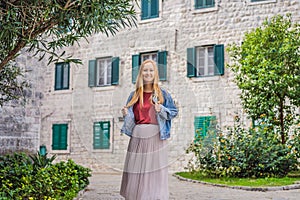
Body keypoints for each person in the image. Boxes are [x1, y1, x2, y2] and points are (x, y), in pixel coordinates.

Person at [120, 59, 178, 200]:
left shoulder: (163, 93)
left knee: (154, 171)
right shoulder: (134, 95)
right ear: (141, 73)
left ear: (155, 73)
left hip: (156, 137)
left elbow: (174, 112)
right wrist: (126, 115)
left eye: (151, 70)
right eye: (145, 70)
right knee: (136, 170)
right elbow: (132, 120)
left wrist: (161, 109)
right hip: (138, 136)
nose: (148, 73)